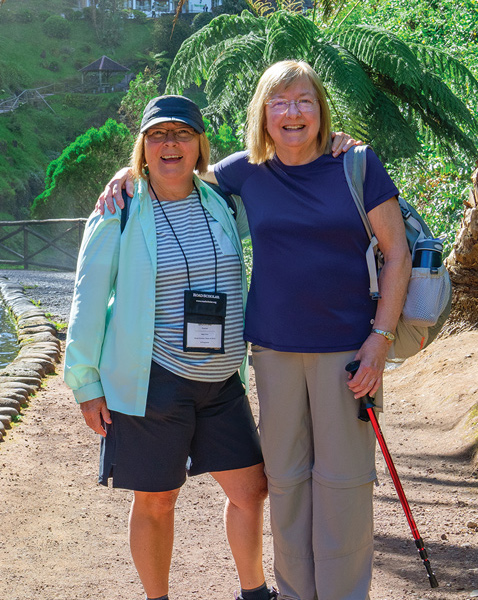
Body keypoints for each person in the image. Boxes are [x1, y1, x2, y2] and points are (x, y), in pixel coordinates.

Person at [96, 61, 411, 600]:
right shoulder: (246, 171)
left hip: (349, 353)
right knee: (286, 482)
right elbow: (177, 170)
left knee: (344, 484)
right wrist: (130, 173)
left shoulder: (356, 164)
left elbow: (397, 254)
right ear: (262, 114)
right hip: (272, 352)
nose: (293, 113)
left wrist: (379, 342)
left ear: (321, 109)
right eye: (280, 102)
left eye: (304, 101)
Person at [63, 95, 273, 600]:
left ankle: (256, 593)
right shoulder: (122, 207)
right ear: (143, 146)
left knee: (251, 490)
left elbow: (285, 168)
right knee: (157, 499)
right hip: (154, 379)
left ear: (201, 145)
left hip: (221, 380)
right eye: (158, 134)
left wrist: (337, 146)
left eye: (182, 133)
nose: (170, 143)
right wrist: (86, 382)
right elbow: (88, 295)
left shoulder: (223, 202)